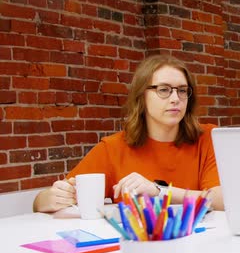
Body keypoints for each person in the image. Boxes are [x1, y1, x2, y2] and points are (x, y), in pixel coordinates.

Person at [33, 55, 224, 213]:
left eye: (182, 91)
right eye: (164, 90)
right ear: (142, 96)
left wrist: (160, 192)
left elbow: (222, 200)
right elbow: (40, 202)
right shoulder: (113, 148)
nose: (176, 99)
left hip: (200, 246)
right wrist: (49, 199)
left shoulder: (208, 137)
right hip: (133, 248)